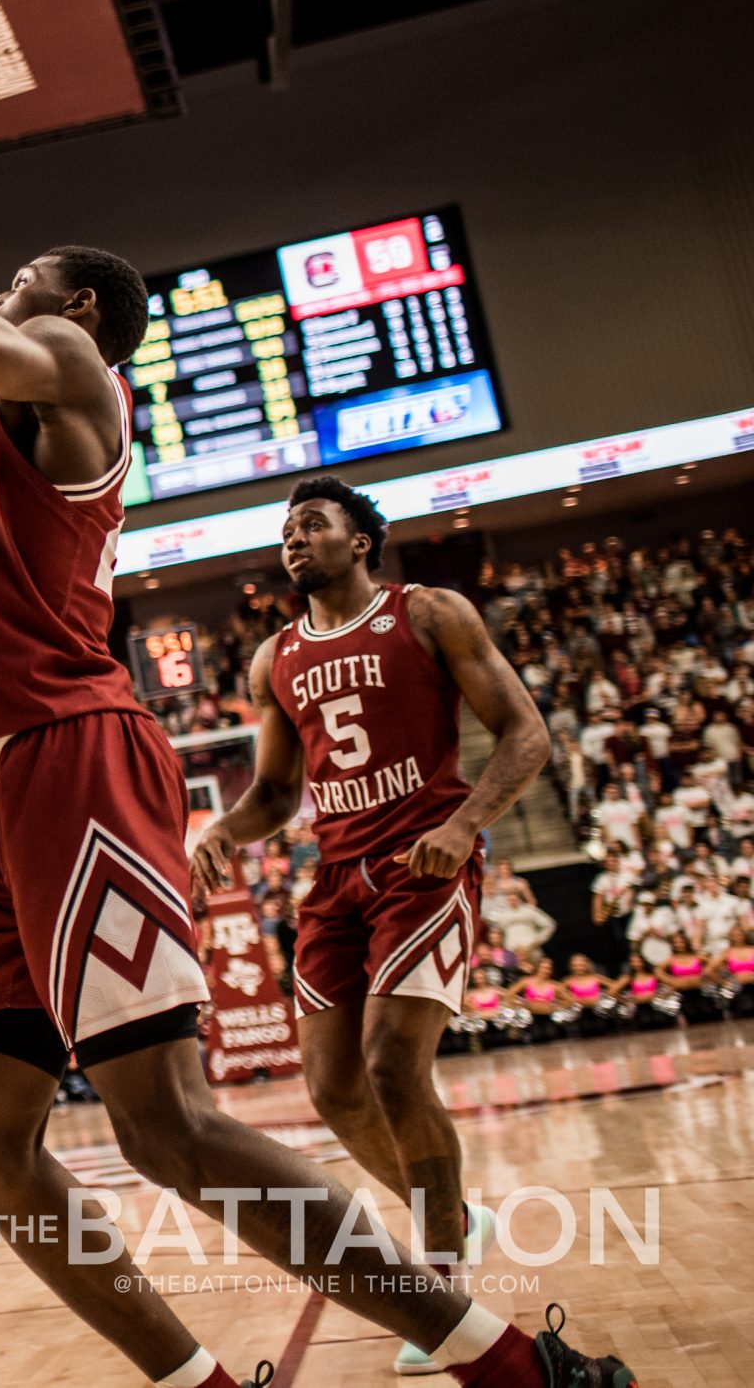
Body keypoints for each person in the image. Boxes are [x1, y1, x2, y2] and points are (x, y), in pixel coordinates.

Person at [0, 164, 632, 1388]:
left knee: (166, 1122)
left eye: (25, 288)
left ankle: (512, 1365)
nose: (7, 298)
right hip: (20, 789)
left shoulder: (72, 373)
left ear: (80, 316)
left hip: (80, 754)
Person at [193, 474, 551, 1374]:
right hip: (336, 877)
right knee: (335, 1087)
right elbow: (276, 792)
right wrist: (224, 830)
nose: (294, 538)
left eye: (313, 523)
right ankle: (453, 1214)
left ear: (360, 542)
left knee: (395, 1061)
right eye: (286, 529)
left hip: (423, 866)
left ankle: (441, 1284)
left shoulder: (429, 612)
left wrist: (465, 821)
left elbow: (525, 733)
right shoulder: (272, 656)